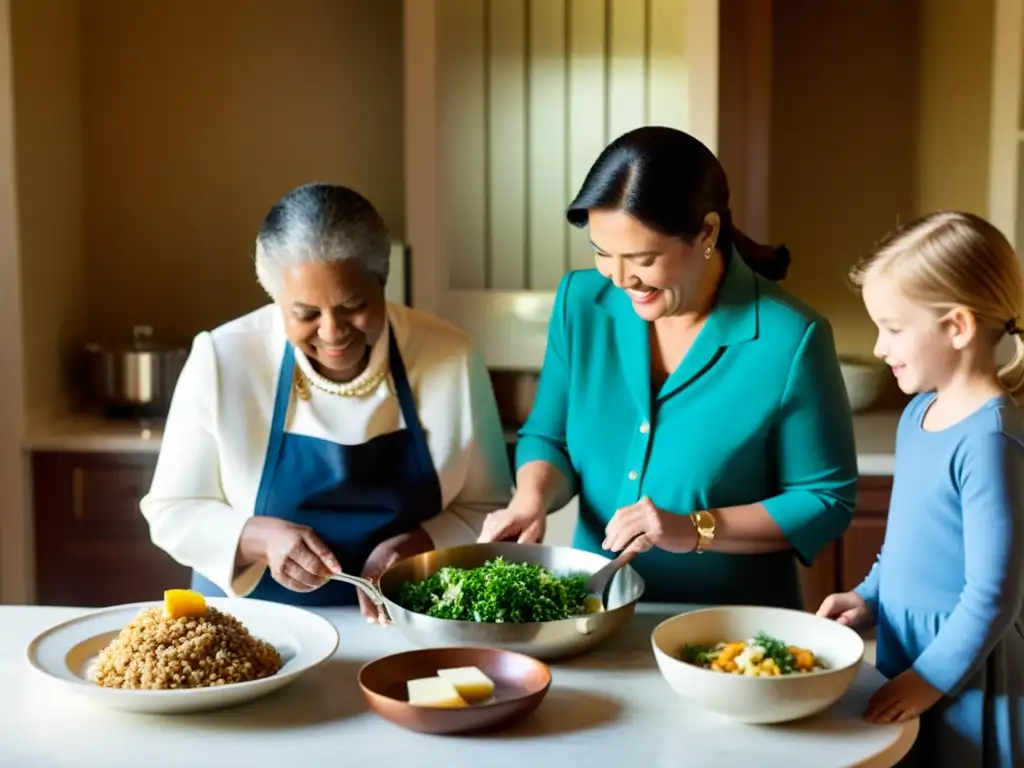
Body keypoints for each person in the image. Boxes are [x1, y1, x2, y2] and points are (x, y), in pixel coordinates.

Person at [478, 126, 858, 608]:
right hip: (595, 609)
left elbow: (824, 500)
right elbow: (548, 437)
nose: (619, 278)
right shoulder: (581, 303)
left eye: (642, 258)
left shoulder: (790, 339)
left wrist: (693, 528)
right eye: (602, 253)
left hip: (731, 633)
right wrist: (530, 500)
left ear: (707, 232)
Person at [140, 183, 513, 621]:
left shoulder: (450, 354)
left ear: (383, 281)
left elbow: (489, 507)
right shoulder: (223, 358)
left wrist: (420, 545)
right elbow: (171, 511)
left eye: (354, 306)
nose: (333, 332)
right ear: (276, 298)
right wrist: (259, 538)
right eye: (306, 314)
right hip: (251, 627)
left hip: (410, 624)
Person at [816, 211, 1024, 766]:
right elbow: (905, 543)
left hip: (966, 671)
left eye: (893, 327)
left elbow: (993, 594)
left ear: (957, 326)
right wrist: (868, 596)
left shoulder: (990, 439)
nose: (880, 348)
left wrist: (927, 681)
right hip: (906, 650)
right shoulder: (918, 413)